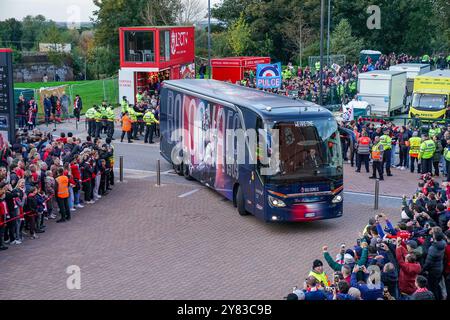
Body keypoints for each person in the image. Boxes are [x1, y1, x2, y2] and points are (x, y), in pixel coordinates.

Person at [422, 229, 446, 300]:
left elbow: (428, 263)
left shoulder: (433, 249)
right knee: (436, 285)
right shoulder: (443, 243)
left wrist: (422, 270)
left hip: (433, 271)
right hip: (439, 268)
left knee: (432, 288)